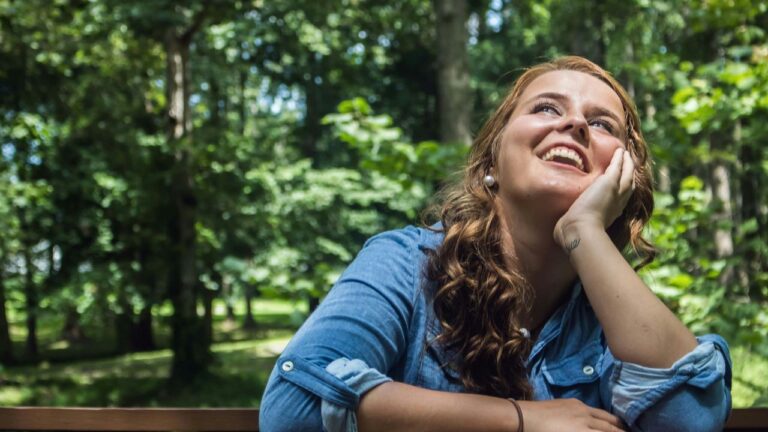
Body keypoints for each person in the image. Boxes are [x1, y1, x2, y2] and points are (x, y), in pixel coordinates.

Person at [259, 56, 732, 432]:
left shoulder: (617, 318)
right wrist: (523, 421)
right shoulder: (404, 263)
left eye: (603, 123)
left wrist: (583, 231)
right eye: (547, 108)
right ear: (493, 159)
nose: (575, 125)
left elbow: (691, 421)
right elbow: (294, 407)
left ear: (623, 176)